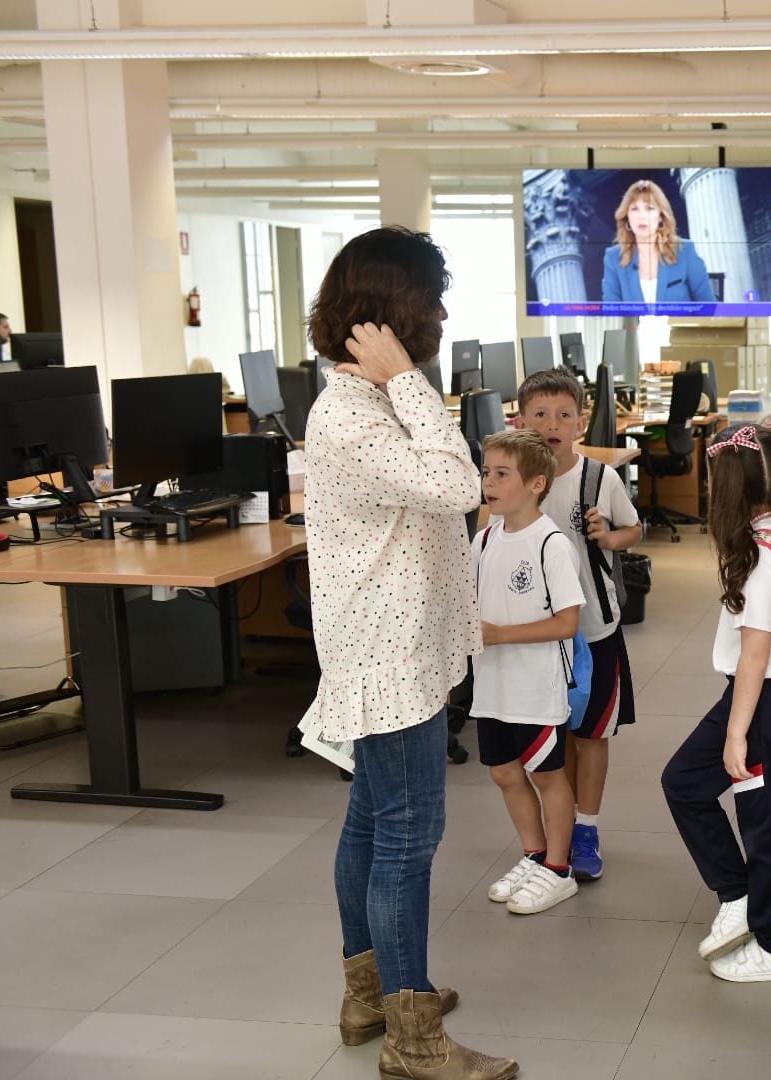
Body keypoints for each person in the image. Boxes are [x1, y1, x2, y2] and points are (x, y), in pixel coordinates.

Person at [302, 226, 516, 1079]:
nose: (441, 314)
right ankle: (414, 1037)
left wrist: (404, 386)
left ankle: (372, 994)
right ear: (390, 313)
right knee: (406, 835)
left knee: (372, 822)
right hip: (385, 658)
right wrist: (410, 379)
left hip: (403, 645)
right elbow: (464, 486)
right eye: (429, 300)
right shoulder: (354, 413)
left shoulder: (375, 405)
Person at [661, 421, 771, 983]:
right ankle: (741, 896)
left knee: (764, 821)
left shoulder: (760, 557)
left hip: (763, 701)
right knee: (692, 783)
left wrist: (737, 734)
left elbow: (754, 656)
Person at [516, 369, 643, 881]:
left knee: (591, 734)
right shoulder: (514, 477)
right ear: (520, 420)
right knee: (552, 736)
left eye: (563, 415)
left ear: (580, 423)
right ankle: (558, 832)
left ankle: (585, 829)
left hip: (593, 629)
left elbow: (634, 528)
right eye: (540, 414)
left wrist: (609, 538)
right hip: (536, 636)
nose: (552, 424)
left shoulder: (599, 478)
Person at [472, 428, 586, 916]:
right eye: (485, 473)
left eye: (502, 474)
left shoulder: (551, 544)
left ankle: (559, 869)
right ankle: (534, 855)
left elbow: (568, 622)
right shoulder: (483, 538)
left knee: (547, 774)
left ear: (537, 483)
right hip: (492, 683)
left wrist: (499, 634)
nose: (489, 483)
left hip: (535, 687)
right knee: (504, 773)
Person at [600, 179, 716, 305]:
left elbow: (708, 306)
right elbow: (611, 311)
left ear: (661, 216)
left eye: (649, 208)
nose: (642, 216)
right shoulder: (613, 258)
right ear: (626, 216)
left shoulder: (684, 250)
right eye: (635, 209)